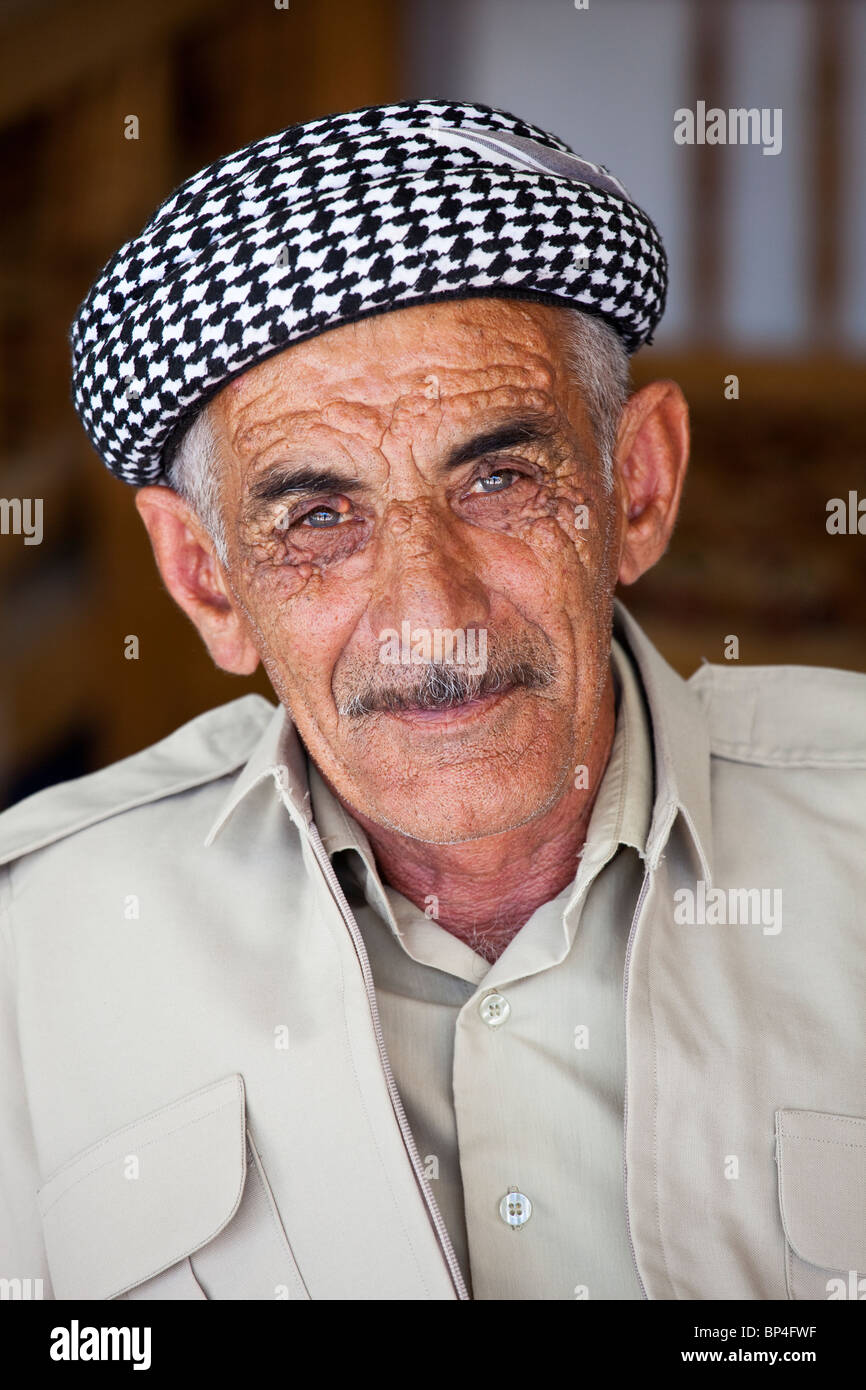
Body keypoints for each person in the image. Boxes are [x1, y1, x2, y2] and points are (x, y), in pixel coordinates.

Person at [1, 100, 863, 1302]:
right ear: (207, 580)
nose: (429, 613)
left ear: (637, 486)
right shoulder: (31, 951)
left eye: (499, 478)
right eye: (316, 518)